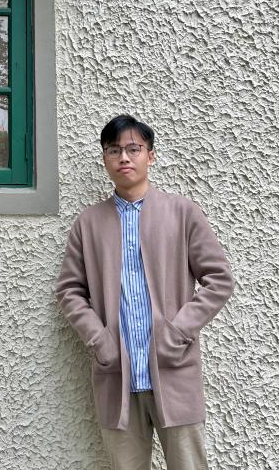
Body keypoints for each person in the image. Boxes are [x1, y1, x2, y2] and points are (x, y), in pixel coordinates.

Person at [56, 114, 233, 470]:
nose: (124, 157)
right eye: (114, 150)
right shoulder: (89, 223)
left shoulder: (182, 213)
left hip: (174, 371)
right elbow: (69, 290)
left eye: (133, 149)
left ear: (150, 156)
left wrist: (177, 332)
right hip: (117, 378)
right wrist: (99, 340)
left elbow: (219, 279)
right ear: (105, 158)